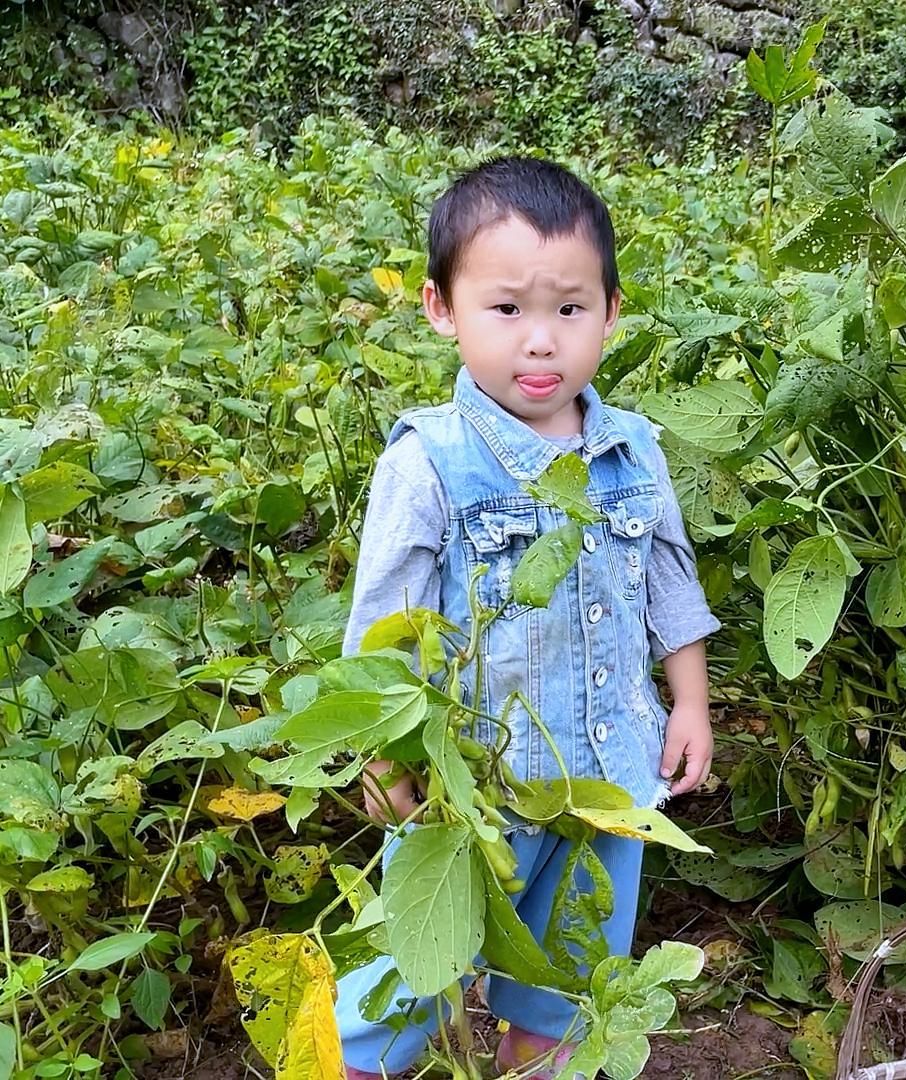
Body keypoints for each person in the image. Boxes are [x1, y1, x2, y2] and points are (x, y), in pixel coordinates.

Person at [335, 157, 719, 1079]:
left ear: (612, 313)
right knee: (406, 979)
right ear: (442, 309)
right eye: (506, 310)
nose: (540, 342)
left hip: (610, 783)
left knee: (570, 987)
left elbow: (671, 581)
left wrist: (692, 705)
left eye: (570, 310)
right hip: (469, 791)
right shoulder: (428, 461)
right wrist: (385, 759)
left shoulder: (635, 449)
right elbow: (383, 626)